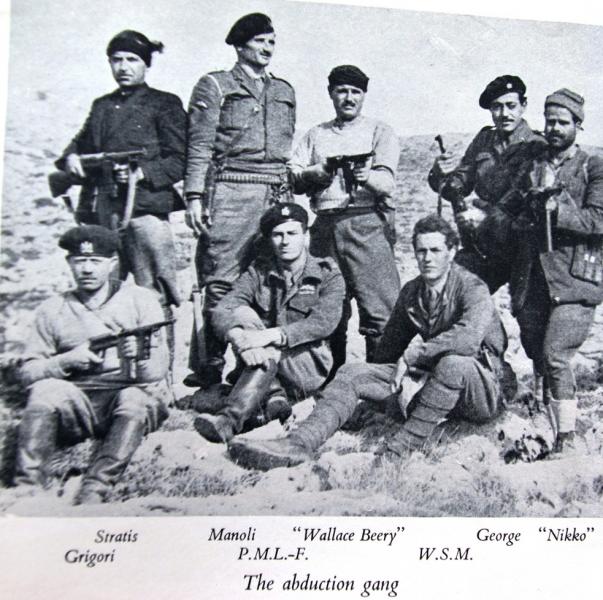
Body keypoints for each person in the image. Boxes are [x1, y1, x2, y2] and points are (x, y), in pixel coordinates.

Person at [228, 215, 510, 470]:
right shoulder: (413, 292)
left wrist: (414, 355)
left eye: (435, 251)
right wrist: (366, 391)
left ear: (451, 252)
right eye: (421, 251)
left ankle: (397, 454)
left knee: (453, 363)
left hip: (484, 389)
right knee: (353, 373)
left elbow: (467, 339)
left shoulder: (472, 287)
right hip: (434, 383)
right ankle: (299, 443)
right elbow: (387, 351)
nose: (427, 258)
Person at [12, 226, 171, 504]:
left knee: (134, 399)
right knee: (44, 392)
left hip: (127, 395)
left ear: (112, 263)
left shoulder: (141, 300)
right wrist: (65, 361)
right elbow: (28, 372)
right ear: (69, 263)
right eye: (80, 261)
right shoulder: (53, 309)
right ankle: (29, 488)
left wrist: (140, 357)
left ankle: (95, 488)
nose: (87, 269)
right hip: (77, 401)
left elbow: (158, 371)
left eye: (95, 261)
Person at [55, 30, 186, 359]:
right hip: (102, 213)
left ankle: (159, 371)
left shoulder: (164, 103)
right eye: (117, 60)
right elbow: (79, 144)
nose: (124, 67)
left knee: (155, 294)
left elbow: (179, 159)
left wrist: (142, 173)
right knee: (99, 294)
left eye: (132, 60)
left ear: (146, 64)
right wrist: (71, 158)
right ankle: (105, 368)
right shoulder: (102, 106)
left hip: (145, 212)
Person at [184, 13, 296, 389]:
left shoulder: (284, 90)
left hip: (276, 190)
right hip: (231, 189)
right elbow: (200, 145)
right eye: (259, 41)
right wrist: (195, 195)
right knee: (223, 277)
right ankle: (211, 363)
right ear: (239, 45)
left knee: (272, 276)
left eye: (271, 41)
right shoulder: (215, 85)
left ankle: (255, 368)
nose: (267, 48)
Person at [193, 203, 345, 444]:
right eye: (278, 234)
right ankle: (274, 399)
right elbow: (224, 308)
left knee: (268, 350)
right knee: (242, 314)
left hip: (306, 364)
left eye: (292, 233)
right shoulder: (259, 272)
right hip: (259, 358)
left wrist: (269, 337)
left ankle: (229, 420)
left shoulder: (327, 273)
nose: (285, 241)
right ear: (270, 239)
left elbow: (324, 322)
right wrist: (240, 340)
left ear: (305, 236)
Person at [289, 65, 400, 372]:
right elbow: (293, 176)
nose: (349, 98)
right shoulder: (316, 135)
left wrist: (367, 176)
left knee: (380, 309)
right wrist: (316, 173)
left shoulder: (379, 131)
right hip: (324, 228)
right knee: (327, 307)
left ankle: (379, 381)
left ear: (364, 95)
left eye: (356, 92)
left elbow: (387, 183)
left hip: (366, 224)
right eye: (342, 91)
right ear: (331, 94)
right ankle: (328, 381)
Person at [509, 89, 603, 452]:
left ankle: (567, 438)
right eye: (550, 121)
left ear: (578, 125)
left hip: (575, 280)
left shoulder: (593, 168)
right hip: (533, 278)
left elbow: (598, 221)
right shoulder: (532, 166)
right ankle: (544, 422)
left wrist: (556, 209)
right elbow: (513, 210)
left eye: (563, 122)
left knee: (555, 354)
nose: (555, 128)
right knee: (537, 353)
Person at [428, 75, 545, 292]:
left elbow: (528, 198)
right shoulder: (484, 141)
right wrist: (442, 173)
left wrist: (487, 216)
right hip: (484, 246)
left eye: (511, 106)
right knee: (452, 293)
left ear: (524, 106)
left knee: (526, 309)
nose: (505, 114)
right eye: (497, 107)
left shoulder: (538, 146)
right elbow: (461, 182)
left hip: (523, 249)